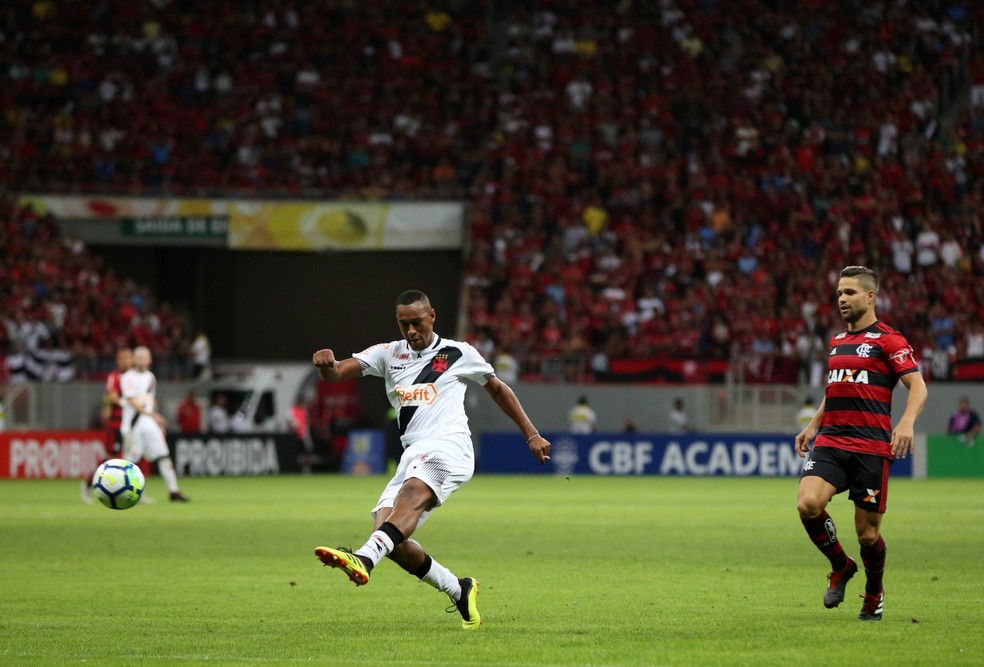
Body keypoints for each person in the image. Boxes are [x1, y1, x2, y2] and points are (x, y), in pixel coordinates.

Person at [311, 289, 551, 630]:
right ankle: (459, 589)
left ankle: (363, 558)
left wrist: (531, 434)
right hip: (413, 453)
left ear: (432, 316)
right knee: (391, 539)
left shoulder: (458, 353)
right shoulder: (387, 353)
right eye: (403, 324)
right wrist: (327, 365)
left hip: (449, 447)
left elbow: (498, 389)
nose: (411, 331)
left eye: (417, 322)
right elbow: (337, 373)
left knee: (406, 503)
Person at [795, 266, 927, 622]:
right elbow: (836, 387)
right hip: (831, 441)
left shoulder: (889, 340)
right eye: (839, 292)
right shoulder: (838, 341)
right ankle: (841, 565)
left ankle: (873, 592)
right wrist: (813, 425)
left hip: (870, 446)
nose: (842, 298)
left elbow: (918, 386)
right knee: (808, 503)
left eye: (850, 292)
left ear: (870, 297)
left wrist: (907, 422)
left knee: (868, 535)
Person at [120, 346, 191, 502]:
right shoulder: (127, 377)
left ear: (150, 360)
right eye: (139, 358)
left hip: (149, 424)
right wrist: (154, 416)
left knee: (164, 455)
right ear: (134, 360)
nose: (142, 361)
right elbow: (132, 402)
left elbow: (150, 401)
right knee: (131, 463)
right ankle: (130, 494)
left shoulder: (150, 377)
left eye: (145, 358)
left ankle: (174, 491)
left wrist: (154, 418)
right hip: (132, 426)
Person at [81, 347, 132, 504]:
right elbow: (112, 397)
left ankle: (135, 491)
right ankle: (88, 483)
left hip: (131, 424)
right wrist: (128, 403)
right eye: (122, 358)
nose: (125, 361)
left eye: (127, 358)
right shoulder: (114, 377)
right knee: (111, 459)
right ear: (117, 361)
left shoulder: (135, 377)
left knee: (132, 457)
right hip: (116, 423)